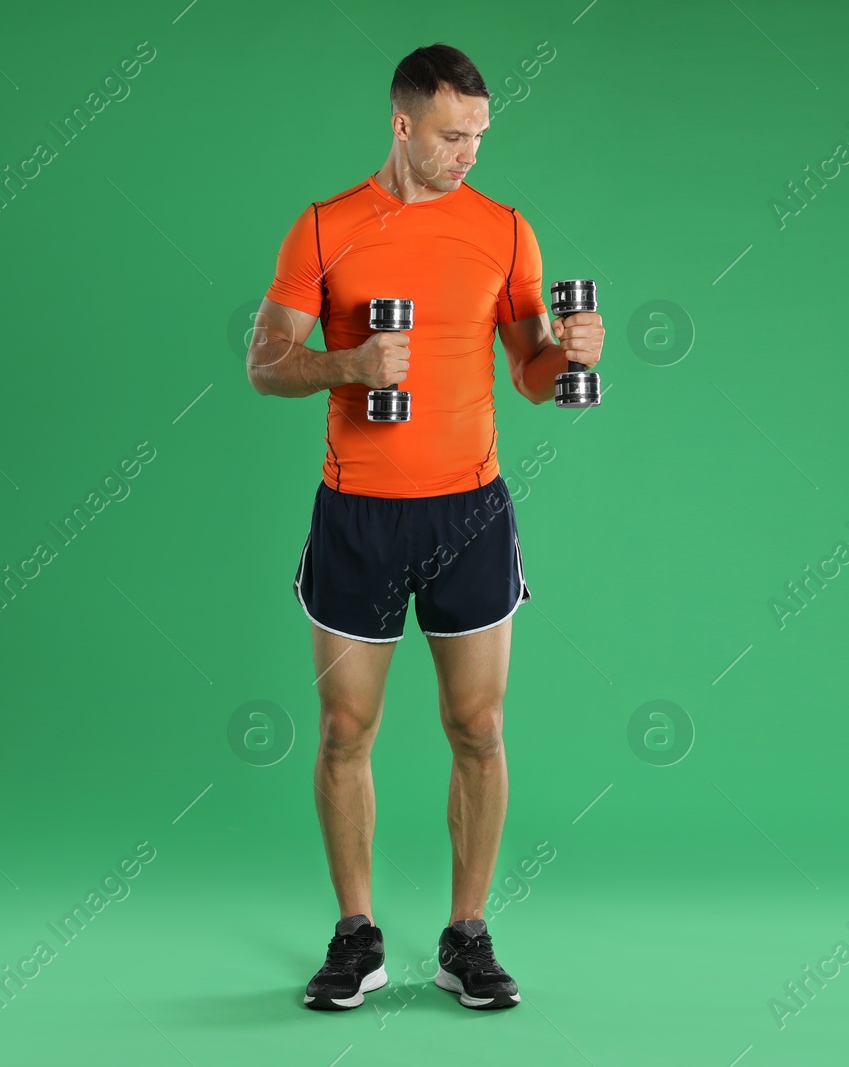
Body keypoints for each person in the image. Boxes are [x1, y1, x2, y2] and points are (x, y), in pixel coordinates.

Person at [245, 42, 604, 1012]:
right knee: (342, 728)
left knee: (478, 727)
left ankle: (466, 935)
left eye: (480, 136)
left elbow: (534, 378)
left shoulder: (505, 230)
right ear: (402, 124)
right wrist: (349, 366)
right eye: (453, 135)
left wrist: (569, 353)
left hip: (470, 509)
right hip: (356, 509)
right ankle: (356, 933)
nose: (469, 153)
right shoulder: (324, 226)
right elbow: (267, 361)